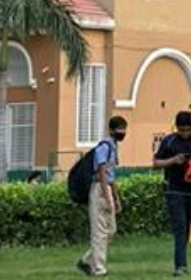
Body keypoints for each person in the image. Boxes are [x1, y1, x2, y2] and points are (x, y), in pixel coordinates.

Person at [152, 111, 191, 276]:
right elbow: (156, 163)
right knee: (180, 227)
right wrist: (173, 160)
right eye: (182, 129)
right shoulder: (169, 141)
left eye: (187, 129)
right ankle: (180, 266)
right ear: (177, 127)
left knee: (185, 229)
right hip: (174, 189)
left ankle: (181, 261)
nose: (185, 133)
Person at [78, 116, 127, 277]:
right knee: (99, 230)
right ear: (112, 130)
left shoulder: (113, 147)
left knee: (111, 230)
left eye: (124, 129)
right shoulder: (104, 147)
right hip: (99, 189)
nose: (123, 132)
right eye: (120, 129)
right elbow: (101, 172)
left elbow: (111, 174)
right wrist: (107, 197)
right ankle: (98, 267)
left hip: (107, 189)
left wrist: (116, 197)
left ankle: (87, 260)